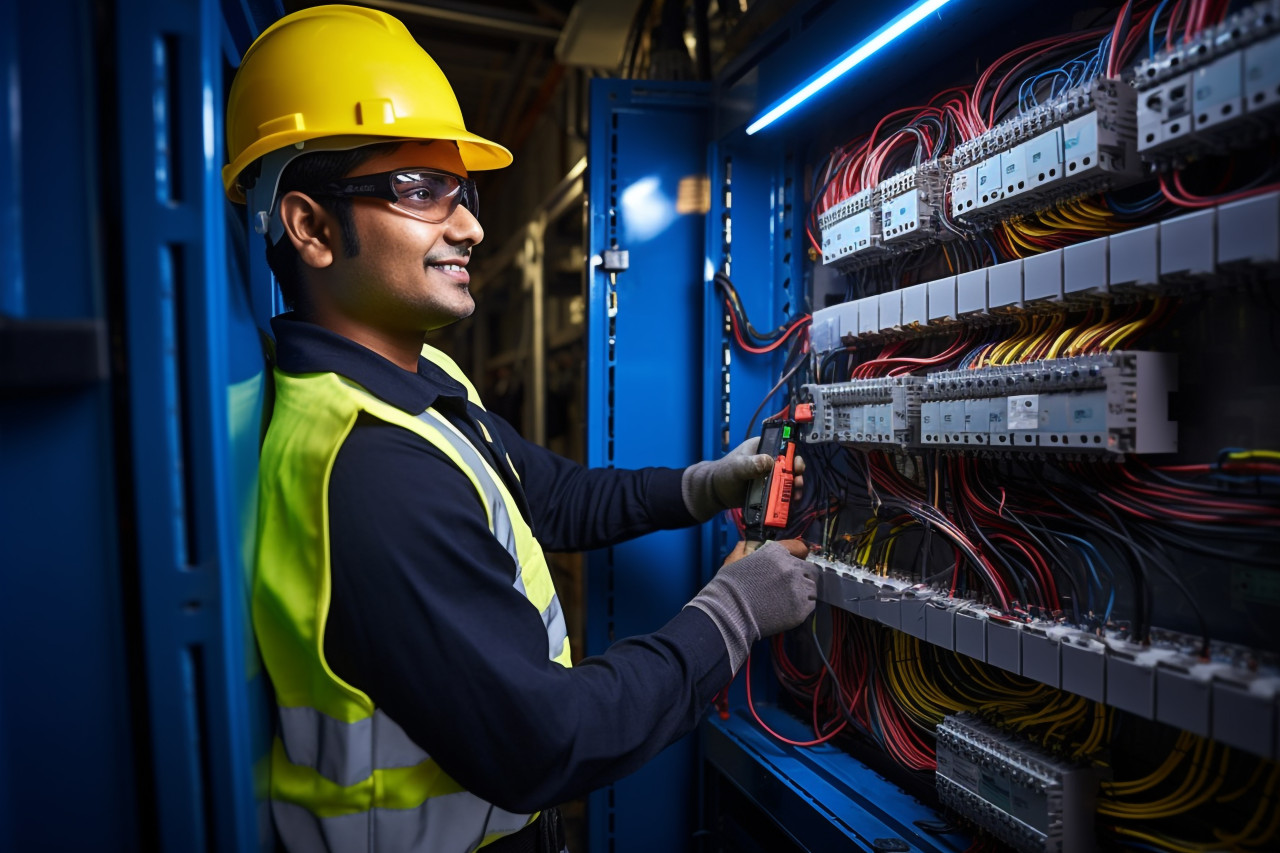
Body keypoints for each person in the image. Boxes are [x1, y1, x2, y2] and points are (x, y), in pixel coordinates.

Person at [223, 6, 817, 852]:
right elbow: (546, 739)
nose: (469, 224)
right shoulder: (365, 466)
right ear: (312, 227)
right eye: (420, 190)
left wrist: (708, 482)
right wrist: (732, 614)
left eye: (461, 192)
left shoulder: (416, 381)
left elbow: (556, 496)